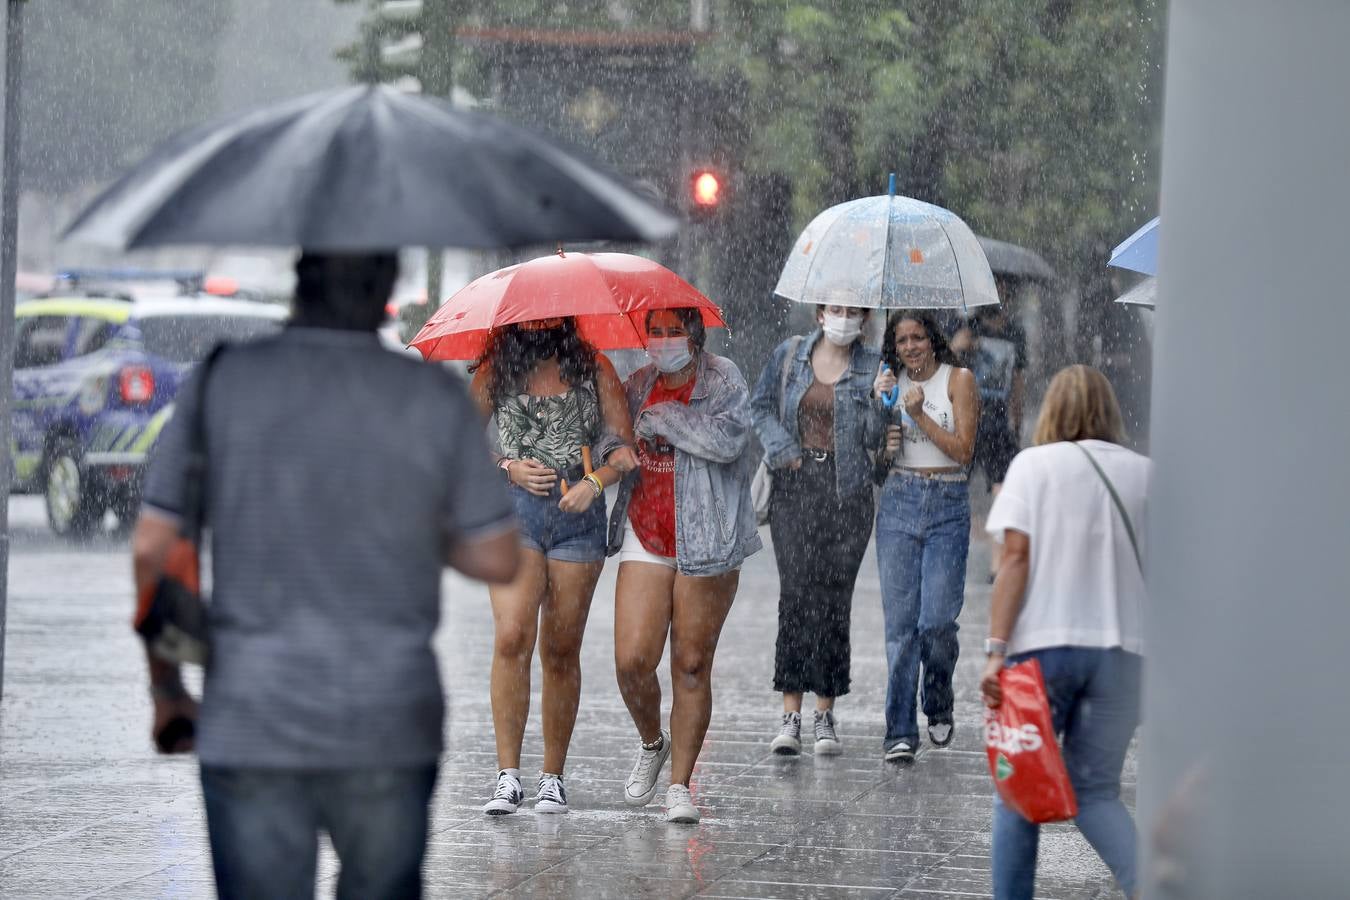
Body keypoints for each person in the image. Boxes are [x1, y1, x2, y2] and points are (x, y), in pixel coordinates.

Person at [132, 252, 520, 900]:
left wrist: (169, 688)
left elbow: (154, 548)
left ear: (299, 282)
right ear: (385, 290)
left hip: (251, 716)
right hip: (388, 721)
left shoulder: (223, 379)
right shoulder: (429, 395)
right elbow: (498, 557)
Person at [979, 365, 1149, 900]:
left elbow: (1014, 561)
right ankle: (1149, 884)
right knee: (1096, 789)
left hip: (1044, 651)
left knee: (1019, 789)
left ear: (1051, 408)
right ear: (1110, 410)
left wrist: (994, 652)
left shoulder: (1032, 467)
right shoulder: (1147, 474)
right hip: (1125, 655)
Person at [469, 316, 635, 816]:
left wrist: (595, 483)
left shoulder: (594, 367)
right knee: (512, 635)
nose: (541, 322)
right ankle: (507, 776)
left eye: (551, 314)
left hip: (576, 517)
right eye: (531, 315)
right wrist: (507, 466)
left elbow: (625, 450)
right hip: (512, 513)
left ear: (566, 317)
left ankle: (552, 777)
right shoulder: (495, 370)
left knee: (561, 648)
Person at [608, 307, 761, 824]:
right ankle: (654, 742)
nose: (664, 340)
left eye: (675, 330)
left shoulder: (724, 379)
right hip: (646, 532)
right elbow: (612, 434)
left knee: (691, 663)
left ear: (695, 336)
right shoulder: (636, 383)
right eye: (656, 330)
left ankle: (680, 785)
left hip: (708, 539)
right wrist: (618, 446)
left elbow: (729, 439)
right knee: (632, 661)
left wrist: (662, 421)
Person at [750, 304, 884, 756]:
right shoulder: (790, 355)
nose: (843, 318)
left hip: (848, 494)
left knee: (832, 597)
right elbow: (761, 407)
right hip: (794, 485)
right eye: (835, 309)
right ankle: (791, 713)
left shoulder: (875, 365)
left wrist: (881, 401)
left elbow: (875, 439)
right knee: (797, 593)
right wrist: (784, 448)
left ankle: (824, 712)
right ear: (820, 313)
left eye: (853, 311)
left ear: (864, 318)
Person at [872, 311, 979, 761]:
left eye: (918, 337)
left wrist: (919, 414)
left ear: (932, 340)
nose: (911, 346)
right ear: (893, 347)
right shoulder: (886, 383)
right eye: (902, 340)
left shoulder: (959, 379)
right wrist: (882, 428)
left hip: (947, 505)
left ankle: (937, 699)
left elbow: (963, 454)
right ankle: (899, 729)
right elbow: (875, 464)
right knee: (901, 629)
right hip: (898, 502)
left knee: (935, 623)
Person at [951, 291, 1028, 580]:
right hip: (966, 420)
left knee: (1003, 491)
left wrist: (1016, 426)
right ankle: (954, 551)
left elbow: (1017, 382)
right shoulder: (967, 328)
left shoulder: (1016, 333)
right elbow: (947, 367)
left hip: (996, 423)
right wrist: (958, 346)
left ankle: (998, 562)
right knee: (957, 485)